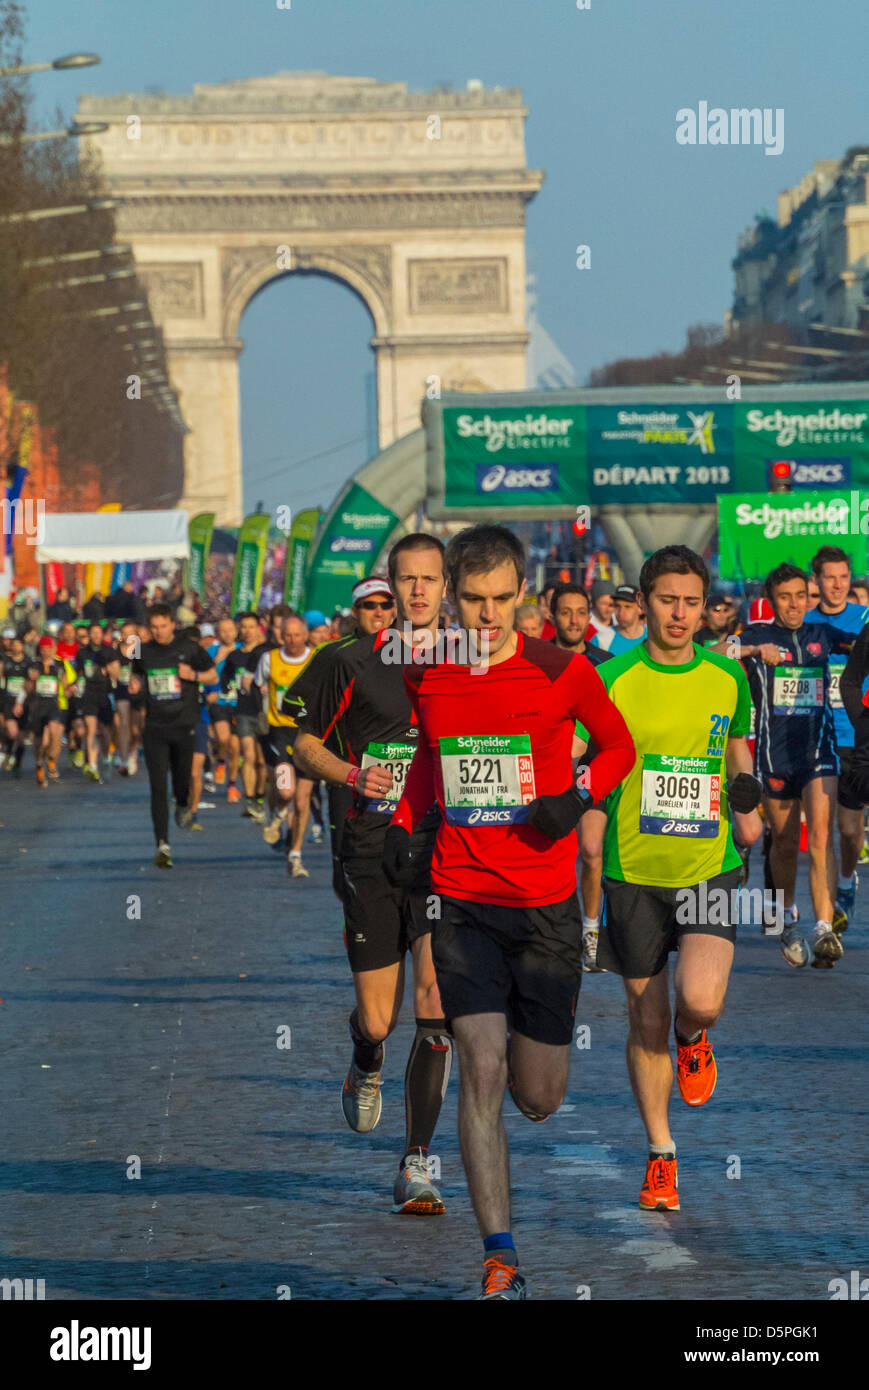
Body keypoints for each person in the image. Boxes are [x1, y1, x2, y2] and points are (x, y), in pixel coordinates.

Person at [385, 524, 635, 1297]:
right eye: (472, 601)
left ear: (520, 593)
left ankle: (505, 1234)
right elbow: (430, 762)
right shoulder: (429, 677)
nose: (486, 618)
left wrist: (577, 797)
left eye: (500, 600)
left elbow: (619, 746)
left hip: (546, 908)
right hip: (463, 901)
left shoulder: (563, 671)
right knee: (480, 1071)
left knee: (538, 1094)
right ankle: (500, 1258)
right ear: (453, 596)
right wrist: (402, 828)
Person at [290, 537, 454, 1219]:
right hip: (368, 844)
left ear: (446, 587)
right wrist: (355, 774)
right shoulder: (347, 661)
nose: (415, 593)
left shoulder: (468, 661)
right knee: (382, 1017)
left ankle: (416, 1160)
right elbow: (301, 746)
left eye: (428, 581)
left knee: (436, 1007)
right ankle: (365, 1056)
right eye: (404, 580)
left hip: (444, 849)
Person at [595, 545, 762, 1213]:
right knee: (646, 1018)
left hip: (706, 864)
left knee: (697, 1002)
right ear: (644, 602)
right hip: (630, 871)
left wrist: (746, 807)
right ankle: (660, 1154)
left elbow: (735, 753)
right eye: (667, 600)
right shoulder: (610, 678)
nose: (679, 613)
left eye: (691, 602)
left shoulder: (726, 678)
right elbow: (586, 763)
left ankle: (694, 1041)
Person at [737, 563, 849, 969]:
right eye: (785, 597)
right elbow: (715, 651)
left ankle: (824, 927)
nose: (795, 604)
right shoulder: (757, 634)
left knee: (821, 836)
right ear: (772, 599)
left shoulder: (823, 633)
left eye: (801, 595)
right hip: (775, 756)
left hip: (819, 751)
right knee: (784, 843)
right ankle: (788, 921)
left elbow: (860, 643)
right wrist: (752, 652)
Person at [550, 581, 614, 971]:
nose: (574, 620)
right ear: (551, 615)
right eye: (565, 612)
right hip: (545, 771)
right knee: (554, 856)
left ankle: (591, 932)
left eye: (580, 612)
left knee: (591, 852)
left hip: (592, 769)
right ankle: (555, 931)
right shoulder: (537, 659)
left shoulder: (606, 663)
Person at [805, 545, 869, 931]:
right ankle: (824, 918)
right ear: (817, 580)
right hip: (815, 738)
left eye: (843, 577)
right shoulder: (806, 622)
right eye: (829, 577)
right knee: (819, 833)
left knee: (849, 831)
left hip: (856, 738)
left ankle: (846, 882)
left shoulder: (864, 618)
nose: (837, 584)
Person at [128, 603, 218, 868]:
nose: (158, 632)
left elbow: (213, 675)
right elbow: (136, 675)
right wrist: (135, 684)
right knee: (157, 787)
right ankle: (162, 844)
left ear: (172, 624)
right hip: (155, 727)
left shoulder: (188, 648)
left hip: (184, 724)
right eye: (153, 627)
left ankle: (182, 803)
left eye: (163, 626)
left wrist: (193, 675)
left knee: (183, 779)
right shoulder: (142, 652)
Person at [255, 614, 316, 876]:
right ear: (282, 635)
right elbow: (259, 686)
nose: (292, 640)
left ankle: (295, 855)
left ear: (305, 635)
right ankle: (277, 814)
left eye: (297, 635)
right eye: (287, 635)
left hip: (309, 734)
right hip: (279, 733)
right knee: (286, 790)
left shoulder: (316, 659)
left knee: (302, 802)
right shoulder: (269, 659)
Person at [221, 612, 269, 820]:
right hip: (243, 711)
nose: (247, 631)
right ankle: (249, 799)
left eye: (251, 626)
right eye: (244, 627)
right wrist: (228, 688)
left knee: (261, 760)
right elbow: (225, 677)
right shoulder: (235, 656)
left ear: (259, 628)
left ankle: (259, 797)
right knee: (248, 755)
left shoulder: (266, 653)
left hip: (264, 712)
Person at [23, 634, 76, 785]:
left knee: (54, 731)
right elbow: (27, 689)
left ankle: (52, 760)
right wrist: (31, 681)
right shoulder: (34, 666)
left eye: (49, 649)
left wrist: (71, 690)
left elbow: (65, 687)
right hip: (38, 705)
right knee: (40, 742)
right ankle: (39, 764)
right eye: (44, 649)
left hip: (54, 704)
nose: (47, 652)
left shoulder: (59, 666)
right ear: (40, 650)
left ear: (54, 649)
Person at [76, 620, 120, 783]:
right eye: (92, 632)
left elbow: (116, 674)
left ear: (102, 634)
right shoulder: (82, 653)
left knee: (105, 730)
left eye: (98, 632)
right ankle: (93, 765)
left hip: (105, 693)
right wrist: (78, 688)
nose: (95, 635)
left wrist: (106, 668)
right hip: (89, 693)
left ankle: (106, 756)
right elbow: (80, 673)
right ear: (89, 634)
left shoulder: (109, 651)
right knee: (91, 729)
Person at [595, 583, 646, 655]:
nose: (621, 613)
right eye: (617, 606)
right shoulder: (601, 640)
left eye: (627, 607)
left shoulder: (653, 637)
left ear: (640, 609)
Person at [586, 579, 616, 649]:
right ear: (594, 603)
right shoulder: (587, 624)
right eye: (604, 603)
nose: (608, 608)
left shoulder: (619, 620)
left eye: (611, 604)